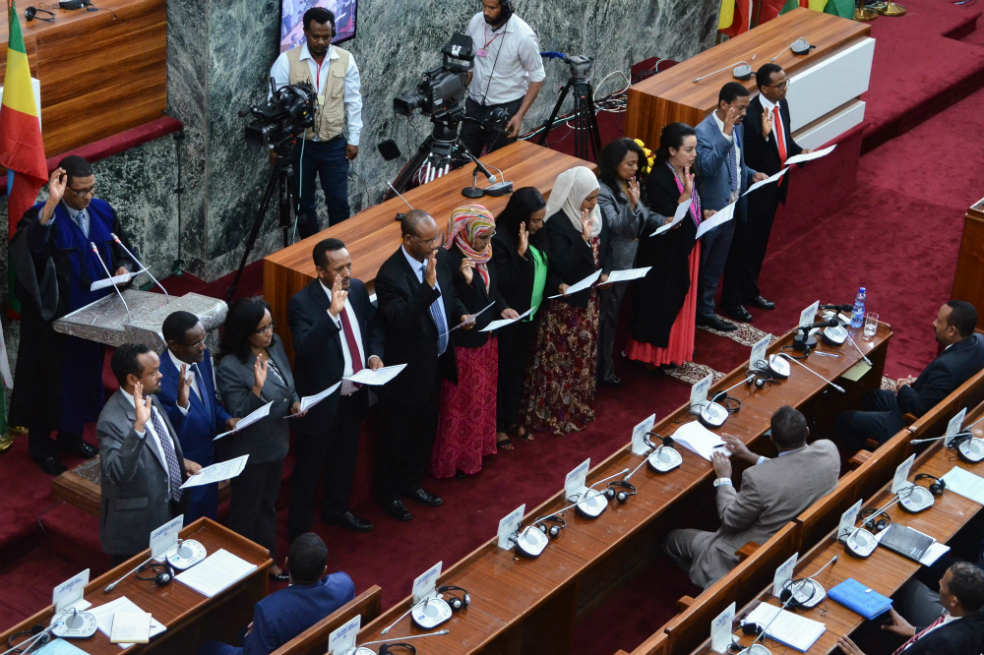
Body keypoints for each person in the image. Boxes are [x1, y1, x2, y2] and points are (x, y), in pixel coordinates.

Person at [10, 156, 137, 475]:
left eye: (91, 189)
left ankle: (71, 437)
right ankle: (41, 448)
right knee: (49, 386)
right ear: (63, 187)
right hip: (55, 325)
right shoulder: (44, 216)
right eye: (79, 191)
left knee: (83, 380)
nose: (87, 197)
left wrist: (124, 267)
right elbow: (31, 252)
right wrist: (51, 204)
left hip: (94, 319)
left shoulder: (103, 211)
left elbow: (123, 249)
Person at [664, 406, 839, 588]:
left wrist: (724, 478)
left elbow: (730, 520)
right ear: (807, 432)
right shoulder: (829, 452)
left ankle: (709, 585)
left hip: (747, 554)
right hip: (797, 541)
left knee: (673, 539)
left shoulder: (757, 479)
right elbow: (794, 468)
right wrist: (750, 456)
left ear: (772, 439)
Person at [374, 210, 468, 521]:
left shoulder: (437, 259)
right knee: (397, 437)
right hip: (406, 375)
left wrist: (461, 312)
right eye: (428, 241)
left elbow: (450, 295)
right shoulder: (390, 275)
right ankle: (389, 494)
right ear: (408, 240)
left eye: (437, 238)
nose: (435, 246)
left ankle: (412, 483)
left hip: (435, 363)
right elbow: (400, 319)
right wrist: (426, 286)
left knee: (424, 431)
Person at [287, 238, 384, 539]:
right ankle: (300, 534)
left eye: (349, 265)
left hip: (355, 396)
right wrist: (331, 314)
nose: (347, 273)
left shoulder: (357, 289)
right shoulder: (301, 302)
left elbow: (373, 326)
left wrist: (374, 354)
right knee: (309, 469)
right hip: (323, 401)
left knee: (345, 459)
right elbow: (303, 346)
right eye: (339, 268)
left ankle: (337, 511)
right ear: (320, 271)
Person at [216, 298, 302, 581]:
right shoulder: (230, 366)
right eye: (261, 329)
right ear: (245, 332)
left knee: (267, 506)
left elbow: (288, 384)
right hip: (250, 451)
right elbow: (238, 415)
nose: (269, 333)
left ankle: (268, 559)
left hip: (276, 443)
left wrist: (295, 401)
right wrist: (256, 388)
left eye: (270, 325)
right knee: (246, 511)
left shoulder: (274, 344)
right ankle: (242, 571)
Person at [523, 166, 612, 435]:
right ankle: (554, 414)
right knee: (561, 360)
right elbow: (561, 265)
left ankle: (577, 407)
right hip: (565, 306)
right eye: (588, 198)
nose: (593, 204)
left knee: (582, 358)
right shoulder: (557, 224)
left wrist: (606, 272)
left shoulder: (597, 215)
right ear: (574, 195)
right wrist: (583, 239)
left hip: (590, 301)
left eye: (595, 197)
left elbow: (606, 250)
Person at [431, 206, 518, 478]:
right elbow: (450, 298)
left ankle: (477, 450)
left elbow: (492, 291)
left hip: (487, 340)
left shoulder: (485, 252)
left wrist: (503, 307)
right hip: (464, 345)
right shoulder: (447, 258)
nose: (487, 242)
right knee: (461, 405)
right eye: (482, 237)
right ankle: (455, 461)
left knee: (482, 399)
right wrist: (467, 287)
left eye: (490, 236)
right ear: (467, 232)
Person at [722, 64, 811, 321]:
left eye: (785, 83)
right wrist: (763, 135)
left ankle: (750, 291)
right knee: (743, 247)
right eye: (779, 85)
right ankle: (731, 300)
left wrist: (801, 152)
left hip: (775, 188)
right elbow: (746, 157)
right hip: (754, 192)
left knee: (759, 245)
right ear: (764, 88)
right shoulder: (749, 115)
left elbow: (784, 140)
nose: (785, 88)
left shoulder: (782, 105)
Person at [98, 344, 202, 564]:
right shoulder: (111, 420)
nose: (161, 375)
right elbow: (116, 473)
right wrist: (138, 428)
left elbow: (159, 442)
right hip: (137, 529)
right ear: (132, 379)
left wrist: (180, 462)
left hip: (168, 512)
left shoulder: (149, 396)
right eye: (153, 372)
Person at [836, 301, 984, 450]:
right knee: (872, 397)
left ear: (951, 330)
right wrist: (923, 381)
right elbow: (948, 381)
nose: (934, 323)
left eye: (939, 321)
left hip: (910, 422)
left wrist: (903, 388)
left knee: (844, 420)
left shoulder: (946, 368)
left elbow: (920, 409)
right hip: (936, 400)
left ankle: (867, 456)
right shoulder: (980, 341)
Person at [270, 7, 362, 236]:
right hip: (301, 146)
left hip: (335, 145)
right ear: (305, 32)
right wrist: (274, 145)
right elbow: (274, 107)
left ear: (333, 34)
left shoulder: (346, 59)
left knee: (339, 203)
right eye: (315, 36)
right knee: (303, 206)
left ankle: (339, 249)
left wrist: (354, 139)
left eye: (326, 37)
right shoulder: (286, 61)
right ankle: (311, 251)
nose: (321, 42)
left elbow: (354, 102)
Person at [625, 123, 707, 369]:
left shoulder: (689, 170)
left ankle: (675, 353)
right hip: (665, 255)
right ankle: (652, 358)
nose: (694, 155)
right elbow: (666, 221)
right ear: (672, 150)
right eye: (688, 150)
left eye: (695, 149)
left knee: (680, 300)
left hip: (687, 247)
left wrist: (705, 212)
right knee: (661, 304)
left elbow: (695, 204)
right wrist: (685, 197)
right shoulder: (659, 178)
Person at [198, 533, 356, 655]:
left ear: (286, 563)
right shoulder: (344, 584)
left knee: (208, 647)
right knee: (243, 631)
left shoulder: (268, 610)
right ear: (324, 570)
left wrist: (252, 636)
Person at [694, 83, 768, 333]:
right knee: (700, 267)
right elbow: (708, 168)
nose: (744, 113)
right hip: (710, 213)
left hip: (732, 210)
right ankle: (690, 317)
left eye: (746, 108)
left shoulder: (739, 127)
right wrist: (725, 134)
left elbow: (736, 164)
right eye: (740, 108)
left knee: (715, 267)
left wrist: (751, 173)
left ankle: (705, 312)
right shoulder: (702, 132)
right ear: (724, 105)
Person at [492, 188, 557, 449]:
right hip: (508, 320)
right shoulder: (500, 239)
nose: (540, 225)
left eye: (541, 219)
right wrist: (519, 254)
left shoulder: (537, 234)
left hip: (530, 317)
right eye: (535, 220)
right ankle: (497, 425)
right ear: (520, 217)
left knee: (518, 371)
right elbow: (502, 284)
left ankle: (511, 418)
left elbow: (545, 267)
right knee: (503, 373)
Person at [157, 311, 237, 522]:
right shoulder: (159, 377)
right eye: (195, 343)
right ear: (174, 345)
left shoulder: (201, 357)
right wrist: (181, 405)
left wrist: (225, 419)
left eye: (204, 339)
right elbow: (162, 432)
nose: (203, 346)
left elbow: (209, 402)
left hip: (209, 468)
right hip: (184, 476)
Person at [595, 138, 659, 387]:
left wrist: (664, 220)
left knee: (618, 314)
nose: (634, 168)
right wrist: (631, 203)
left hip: (634, 259)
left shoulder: (632, 182)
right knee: (608, 317)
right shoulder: (603, 190)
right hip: (614, 265)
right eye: (629, 164)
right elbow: (614, 226)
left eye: (636, 163)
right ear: (614, 163)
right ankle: (603, 372)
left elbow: (645, 214)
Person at [836, 562, 984, 655]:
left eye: (943, 584)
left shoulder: (945, 644)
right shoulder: (975, 616)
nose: (939, 582)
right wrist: (914, 631)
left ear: (953, 601)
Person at [459, 0, 546, 157]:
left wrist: (519, 115)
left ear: (506, 7)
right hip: (474, 106)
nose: (486, 12)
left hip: (506, 109)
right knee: (462, 159)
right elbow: (468, 63)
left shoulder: (524, 36)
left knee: (499, 162)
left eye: (492, 8)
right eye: (484, 5)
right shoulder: (476, 22)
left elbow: (537, 78)